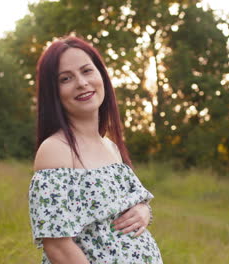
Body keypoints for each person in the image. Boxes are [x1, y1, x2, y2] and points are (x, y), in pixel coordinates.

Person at [28, 36, 163, 264]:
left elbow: (127, 205)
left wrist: (143, 211)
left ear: (101, 75)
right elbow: (58, 247)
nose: (81, 83)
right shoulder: (56, 150)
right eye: (66, 78)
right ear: (54, 93)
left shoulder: (110, 146)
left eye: (87, 71)